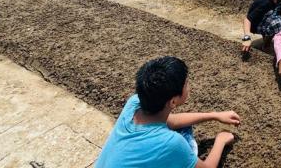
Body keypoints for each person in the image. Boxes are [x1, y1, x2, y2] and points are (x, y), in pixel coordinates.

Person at [96, 56, 240, 168]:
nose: (188, 86)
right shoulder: (170, 143)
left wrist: (214, 115)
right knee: (185, 138)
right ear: (172, 101)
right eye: (186, 84)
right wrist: (221, 140)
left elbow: (173, 121)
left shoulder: (134, 103)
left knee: (182, 129)